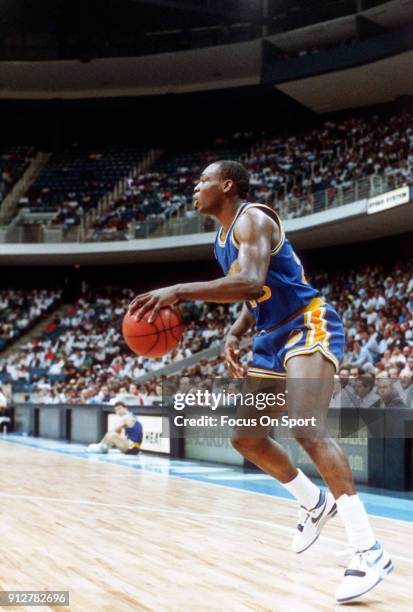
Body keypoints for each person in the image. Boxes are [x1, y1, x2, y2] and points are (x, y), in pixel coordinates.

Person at [128, 160, 393, 603]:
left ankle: (368, 549)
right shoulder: (222, 239)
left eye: (202, 180)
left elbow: (249, 281)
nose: (195, 187)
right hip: (271, 334)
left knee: (305, 425)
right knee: (246, 438)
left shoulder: (253, 217)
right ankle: (314, 503)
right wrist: (235, 331)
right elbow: (255, 293)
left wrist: (177, 290)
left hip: (308, 324)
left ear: (226, 186)